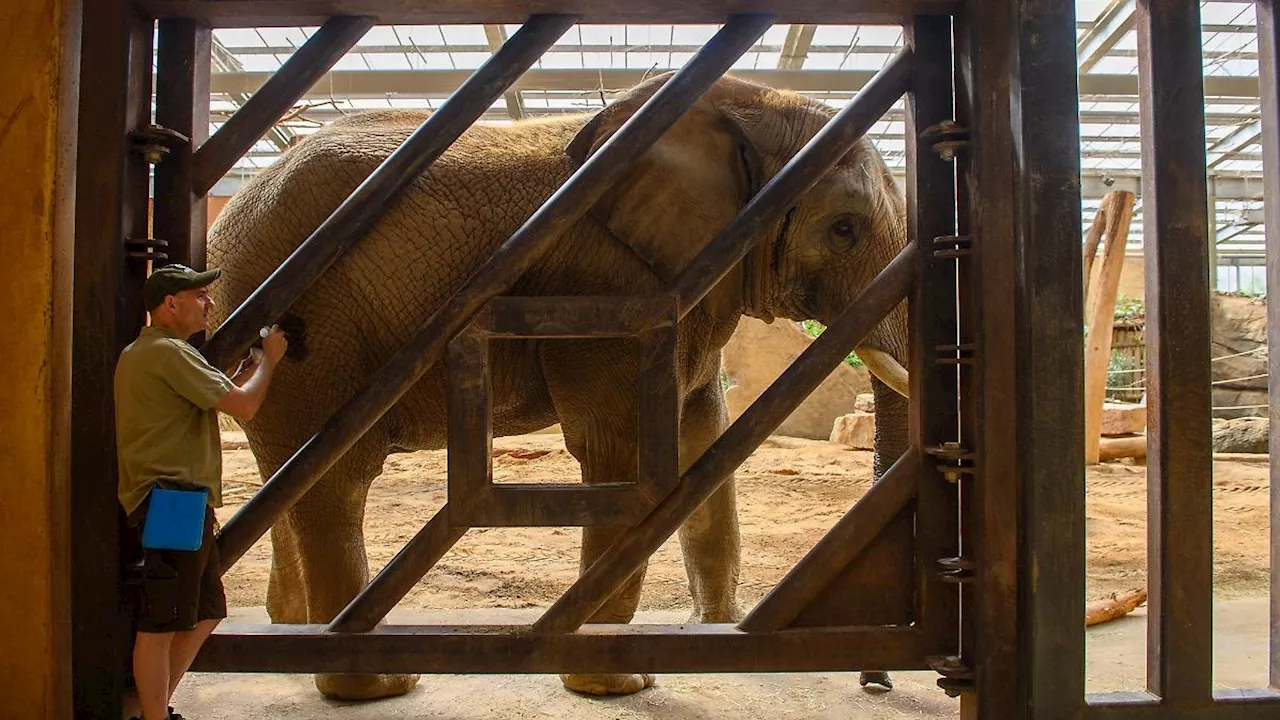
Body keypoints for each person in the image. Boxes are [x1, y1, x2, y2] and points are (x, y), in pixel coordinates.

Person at [114, 264, 287, 720]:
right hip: (171, 499)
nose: (209, 303)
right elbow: (245, 406)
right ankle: (152, 716)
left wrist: (243, 370)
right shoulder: (169, 353)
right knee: (160, 623)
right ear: (171, 305)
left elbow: (217, 395)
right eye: (201, 296)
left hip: (180, 501)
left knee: (206, 610)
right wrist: (269, 360)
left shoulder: (152, 353)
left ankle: (152, 707)